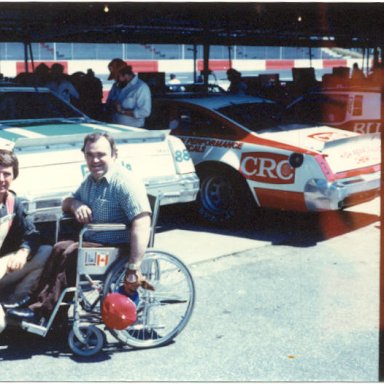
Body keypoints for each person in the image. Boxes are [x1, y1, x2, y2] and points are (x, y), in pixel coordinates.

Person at [12, 132, 154, 322]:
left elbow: (142, 221)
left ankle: (43, 312)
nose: (95, 160)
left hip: (117, 248)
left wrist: (134, 266)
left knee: (69, 253)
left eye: (101, 154)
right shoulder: (91, 181)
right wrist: (75, 205)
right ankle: (41, 304)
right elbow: (66, 202)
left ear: (114, 155)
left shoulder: (125, 183)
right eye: (89, 155)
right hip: (94, 243)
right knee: (59, 248)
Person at [0, 149, 52, 332]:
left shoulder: (14, 203)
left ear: (14, 176)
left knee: (46, 251)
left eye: (6, 174)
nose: (1, 178)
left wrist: (23, 252)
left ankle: (12, 302)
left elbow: (32, 234)